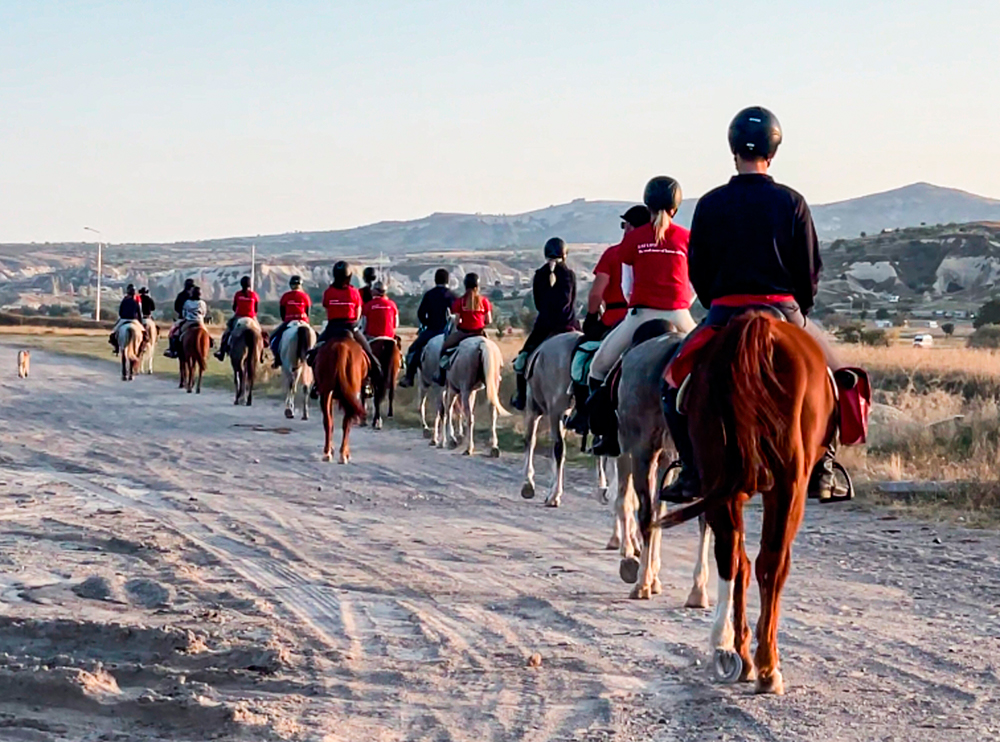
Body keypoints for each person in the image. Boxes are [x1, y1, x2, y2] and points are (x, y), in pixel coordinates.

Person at [660, 105, 841, 503]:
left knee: (671, 383)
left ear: (733, 151)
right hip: (784, 308)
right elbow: (809, 268)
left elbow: (698, 268)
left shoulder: (709, 203)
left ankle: (691, 470)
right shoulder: (792, 201)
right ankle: (824, 467)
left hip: (725, 310)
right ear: (772, 153)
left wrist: (715, 304)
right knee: (839, 378)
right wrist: (802, 313)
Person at [586, 176, 697, 455]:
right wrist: (680, 304)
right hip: (680, 315)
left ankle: (608, 433)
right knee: (711, 367)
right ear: (676, 207)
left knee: (598, 368)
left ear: (647, 205)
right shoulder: (686, 238)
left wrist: (635, 305)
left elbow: (626, 285)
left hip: (640, 315)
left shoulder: (634, 238)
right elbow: (694, 284)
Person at [566, 206, 650, 433]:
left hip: (618, 318)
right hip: (661, 316)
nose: (624, 229)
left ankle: (585, 413)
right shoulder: (657, 251)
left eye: (625, 225)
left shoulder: (615, 253)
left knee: (583, 356)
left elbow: (596, 293)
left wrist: (592, 316)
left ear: (631, 227)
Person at [510, 237, 580, 411]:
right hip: (569, 324)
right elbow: (570, 301)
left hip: (545, 326)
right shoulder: (569, 274)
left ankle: (521, 396)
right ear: (564, 254)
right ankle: (583, 405)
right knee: (588, 358)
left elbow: (539, 303)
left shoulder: (539, 274)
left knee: (522, 360)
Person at [309, 261, 382, 378]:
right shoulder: (354, 292)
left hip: (332, 327)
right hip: (351, 327)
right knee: (369, 353)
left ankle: (316, 384)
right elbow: (358, 314)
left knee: (314, 353)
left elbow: (327, 311)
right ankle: (374, 377)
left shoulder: (328, 292)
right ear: (349, 276)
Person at [398, 268, 456, 387]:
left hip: (433, 330)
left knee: (414, 350)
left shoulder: (430, 294)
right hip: (449, 332)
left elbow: (421, 313)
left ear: (435, 280)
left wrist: (427, 323)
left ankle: (409, 377)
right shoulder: (454, 296)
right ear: (448, 281)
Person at [436, 273, 492, 382]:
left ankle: (441, 375)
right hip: (480, 332)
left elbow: (456, 321)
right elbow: (488, 320)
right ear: (478, 285)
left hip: (464, 333)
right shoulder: (484, 301)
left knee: (444, 347)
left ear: (465, 285)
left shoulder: (460, 302)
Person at [270, 275, 312, 368]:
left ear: (290, 285)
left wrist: (286, 319)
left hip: (289, 321)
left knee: (273, 338)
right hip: (303, 321)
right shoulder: (305, 296)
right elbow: (308, 312)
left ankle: (277, 358)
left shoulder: (286, 296)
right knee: (317, 339)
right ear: (300, 285)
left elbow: (282, 312)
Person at [215, 276, 260, 361]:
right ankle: (261, 353)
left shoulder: (238, 294)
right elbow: (256, 308)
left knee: (227, 332)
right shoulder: (254, 295)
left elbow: (234, 307)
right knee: (259, 333)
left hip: (239, 316)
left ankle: (222, 352)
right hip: (251, 317)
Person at [109, 284, 145, 355]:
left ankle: (116, 348)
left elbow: (120, 312)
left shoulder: (124, 301)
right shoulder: (136, 302)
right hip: (134, 320)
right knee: (145, 335)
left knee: (113, 334)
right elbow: (140, 313)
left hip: (124, 319)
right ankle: (142, 347)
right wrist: (141, 323)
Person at [164, 278, 195, 358]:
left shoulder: (181, 295)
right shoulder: (196, 296)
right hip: (197, 319)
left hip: (183, 318)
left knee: (172, 333)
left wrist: (181, 314)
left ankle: (172, 350)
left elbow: (176, 307)